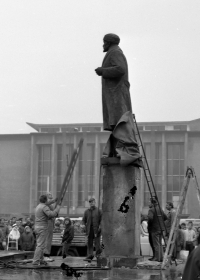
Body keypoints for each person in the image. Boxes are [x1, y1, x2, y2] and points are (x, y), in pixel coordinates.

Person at [32, 194, 61, 266]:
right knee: (40, 245)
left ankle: (40, 259)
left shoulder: (38, 206)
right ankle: (36, 260)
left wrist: (53, 201)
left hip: (37, 227)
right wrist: (57, 208)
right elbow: (51, 214)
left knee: (41, 244)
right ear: (45, 200)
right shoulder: (44, 207)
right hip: (42, 227)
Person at [148, 198, 167, 262]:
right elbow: (165, 217)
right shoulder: (160, 209)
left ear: (152, 203)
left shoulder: (151, 210)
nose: (148, 203)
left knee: (156, 244)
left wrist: (150, 224)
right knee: (160, 244)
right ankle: (160, 258)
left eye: (149, 202)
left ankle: (157, 258)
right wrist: (159, 222)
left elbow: (150, 218)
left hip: (154, 229)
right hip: (161, 229)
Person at [43, 192, 58, 262]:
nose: (51, 194)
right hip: (48, 222)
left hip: (51, 222)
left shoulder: (51, 204)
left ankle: (47, 254)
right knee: (48, 238)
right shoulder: (46, 204)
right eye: (49, 194)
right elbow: (47, 203)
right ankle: (45, 254)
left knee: (49, 239)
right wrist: (54, 200)